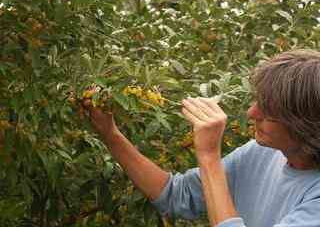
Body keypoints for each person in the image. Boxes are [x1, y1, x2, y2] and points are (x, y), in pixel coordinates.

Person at [83, 49, 320, 227]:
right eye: (257, 101)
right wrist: (110, 134)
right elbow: (177, 195)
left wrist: (208, 155)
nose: (251, 113)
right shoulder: (261, 153)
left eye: (268, 110)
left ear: (304, 124)